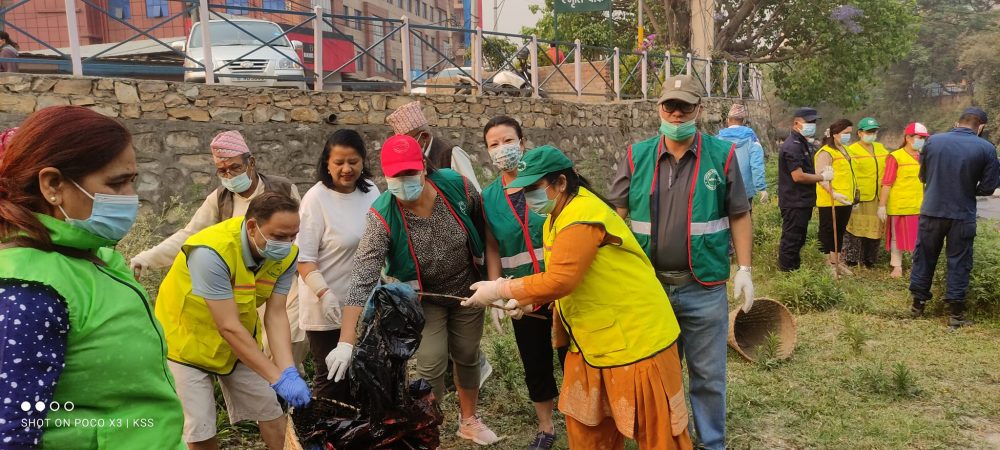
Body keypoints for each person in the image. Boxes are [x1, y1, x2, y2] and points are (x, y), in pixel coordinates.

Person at [462, 145, 693, 450]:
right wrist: (532, 300)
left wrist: (501, 288)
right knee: (587, 429)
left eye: (533, 188)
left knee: (660, 435)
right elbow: (569, 276)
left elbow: (561, 279)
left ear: (560, 183)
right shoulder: (556, 218)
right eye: (523, 189)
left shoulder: (581, 216)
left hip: (638, 341)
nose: (527, 197)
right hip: (592, 342)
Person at [0, 106, 184, 448]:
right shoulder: (29, 289)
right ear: (53, 184)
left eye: (133, 181)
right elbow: (12, 428)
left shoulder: (92, 256)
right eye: (116, 184)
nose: (131, 198)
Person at [609, 75, 754, 450]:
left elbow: (739, 213)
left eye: (685, 107)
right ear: (658, 109)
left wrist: (746, 269)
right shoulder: (636, 156)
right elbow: (614, 217)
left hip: (702, 287)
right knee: (658, 375)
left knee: (708, 376)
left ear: (699, 111)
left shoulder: (721, 156)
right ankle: (668, 442)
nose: (676, 114)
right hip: (651, 289)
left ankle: (711, 443)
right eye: (670, 106)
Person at [325, 134, 499, 445]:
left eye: (410, 173)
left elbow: (484, 226)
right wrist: (346, 341)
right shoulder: (382, 215)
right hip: (424, 299)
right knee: (431, 361)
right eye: (396, 176)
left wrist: (496, 284)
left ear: (423, 167)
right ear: (386, 176)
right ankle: (426, 423)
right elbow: (363, 276)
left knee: (467, 354)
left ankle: (469, 418)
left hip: (468, 290)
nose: (404, 181)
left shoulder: (455, 186)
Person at [129, 130, 308, 372]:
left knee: (287, 341)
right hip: (238, 286)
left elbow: (296, 234)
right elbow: (189, 235)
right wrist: (146, 259)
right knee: (248, 349)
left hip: (276, 277)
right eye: (222, 171)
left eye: (234, 168)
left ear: (250, 162)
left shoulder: (283, 189)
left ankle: (286, 393)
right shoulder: (220, 198)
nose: (229, 176)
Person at [154, 192, 310, 450]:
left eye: (293, 236)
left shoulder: (287, 256)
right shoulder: (211, 252)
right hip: (185, 345)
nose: (287, 244)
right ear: (252, 227)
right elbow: (227, 325)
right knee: (200, 430)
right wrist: (276, 378)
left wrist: (287, 371)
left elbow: (276, 314)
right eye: (279, 236)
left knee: (271, 411)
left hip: (237, 346)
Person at [480, 116, 560, 449]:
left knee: (577, 353)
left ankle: (593, 416)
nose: (502, 149)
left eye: (508, 141)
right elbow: (492, 246)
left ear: (523, 142)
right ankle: (546, 428)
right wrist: (496, 288)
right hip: (520, 292)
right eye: (493, 144)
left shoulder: (544, 181)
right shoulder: (488, 198)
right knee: (534, 357)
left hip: (560, 284)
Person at [295, 129, 379, 400]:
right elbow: (303, 259)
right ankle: (326, 437)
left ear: (363, 161)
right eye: (339, 162)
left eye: (353, 161)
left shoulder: (371, 193)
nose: (346, 169)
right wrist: (324, 294)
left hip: (366, 305)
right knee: (333, 379)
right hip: (327, 309)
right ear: (326, 165)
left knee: (366, 376)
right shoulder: (316, 199)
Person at [909, 107, 1000, 328]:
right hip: (961, 214)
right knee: (959, 261)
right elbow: (989, 187)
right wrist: (968, 188)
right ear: (981, 126)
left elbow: (923, 175)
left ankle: (917, 306)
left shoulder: (933, 142)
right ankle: (955, 315)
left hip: (931, 210)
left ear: (957, 122)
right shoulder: (987, 148)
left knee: (925, 256)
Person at [777, 107, 834, 271]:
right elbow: (798, 176)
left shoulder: (804, 143)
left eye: (814, 122)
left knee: (799, 238)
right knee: (792, 238)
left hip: (802, 200)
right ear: (797, 123)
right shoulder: (793, 146)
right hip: (794, 201)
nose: (812, 125)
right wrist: (822, 177)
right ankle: (787, 273)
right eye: (809, 122)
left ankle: (794, 269)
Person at [386, 100, 482, 191]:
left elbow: (474, 191)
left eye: (409, 142)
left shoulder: (450, 153)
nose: (407, 148)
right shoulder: (412, 159)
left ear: (424, 136)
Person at [878, 122, 928, 278]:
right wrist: (882, 205)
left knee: (918, 238)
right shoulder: (895, 157)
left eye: (924, 138)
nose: (922, 141)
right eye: (919, 137)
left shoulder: (924, 157)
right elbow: (887, 182)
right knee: (896, 237)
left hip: (919, 205)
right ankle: (896, 266)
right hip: (899, 204)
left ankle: (917, 266)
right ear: (908, 137)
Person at [843, 117, 889, 268]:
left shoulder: (881, 148)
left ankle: (869, 259)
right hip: (860, 197)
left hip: (877, 196)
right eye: (869, 131)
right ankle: (851, 258)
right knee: (855, 227)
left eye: (874, 131)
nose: (872, 134)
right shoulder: (851, 150)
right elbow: (849, 174)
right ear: (860, 133)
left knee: (875, 228)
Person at [815, 119, 858, 278]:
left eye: (850, 133)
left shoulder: (845, 150)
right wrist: (833, 193)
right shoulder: (826, 152)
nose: (848, 136)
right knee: (828, 231)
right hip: (830, 200)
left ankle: (837, 262)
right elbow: (821, 177)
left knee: (839, 231)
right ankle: (828, 264)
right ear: (835, 134)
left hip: (845, 199)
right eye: (845, 133)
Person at [718, 103, 768, 204]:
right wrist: (761, 188)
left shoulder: (717, 139)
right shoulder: (752, 139)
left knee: (724, 219)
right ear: (743, 121)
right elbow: (756, 165)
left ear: (728, 120)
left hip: (722, 189)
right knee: (744, 219)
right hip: (745, 191)